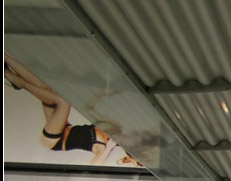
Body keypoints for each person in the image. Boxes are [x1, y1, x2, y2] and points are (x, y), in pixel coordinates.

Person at [4, 53, 137, 166]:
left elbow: (93, 168)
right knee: (47, 90)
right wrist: (100, 95)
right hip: (63, 126)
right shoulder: (112, 126)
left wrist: (109, 148)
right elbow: (89, 108)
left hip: (55, 139)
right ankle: (7, 62)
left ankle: (18, 82)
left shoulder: (102, 147)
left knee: (63, 102)